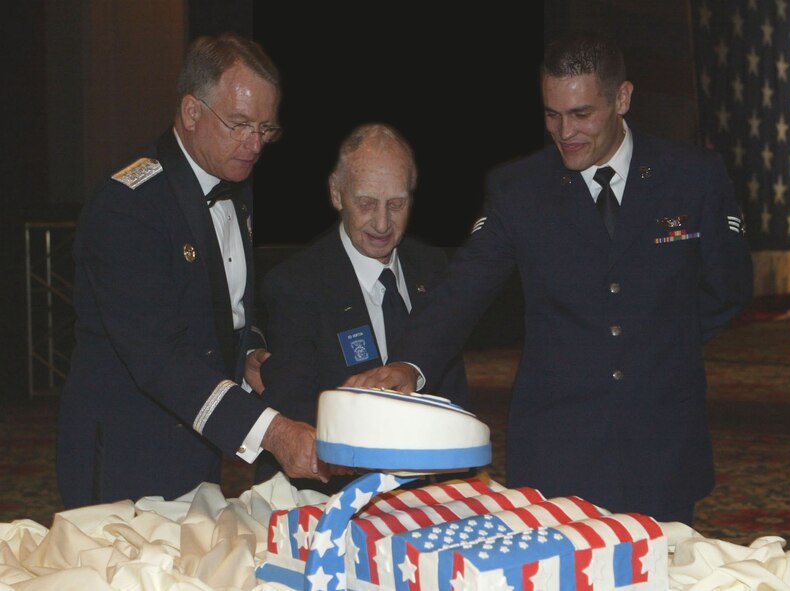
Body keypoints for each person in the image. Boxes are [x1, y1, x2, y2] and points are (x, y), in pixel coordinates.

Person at [344, 32, 754, 525]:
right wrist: (409, 364)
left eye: (582, 114)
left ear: (622, 98)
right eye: (551, 114)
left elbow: (727, 288)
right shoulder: (519, 190)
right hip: (558, 448)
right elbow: (464, 287)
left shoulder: (692, 177)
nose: (565, 132)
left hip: (661, 440)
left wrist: (661, 340)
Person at [57, 33, 337, 509]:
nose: (254, 145)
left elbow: (219, 306)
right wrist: (274, 433)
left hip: (200, 444)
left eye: (266, 130)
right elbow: (161, 358)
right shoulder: (128, 208)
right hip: (127, 456)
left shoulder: (233, 182)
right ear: (191, 113)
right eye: (240, 124)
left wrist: (247, 352)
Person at [252, 123, 470, 493]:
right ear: (337, 194)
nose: (382, 223)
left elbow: (452, 395)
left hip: (426, 499)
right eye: (366, 203)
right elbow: (295, 418)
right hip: (330, 501)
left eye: (396, 204)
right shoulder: (295, 285)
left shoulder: (434, 270)